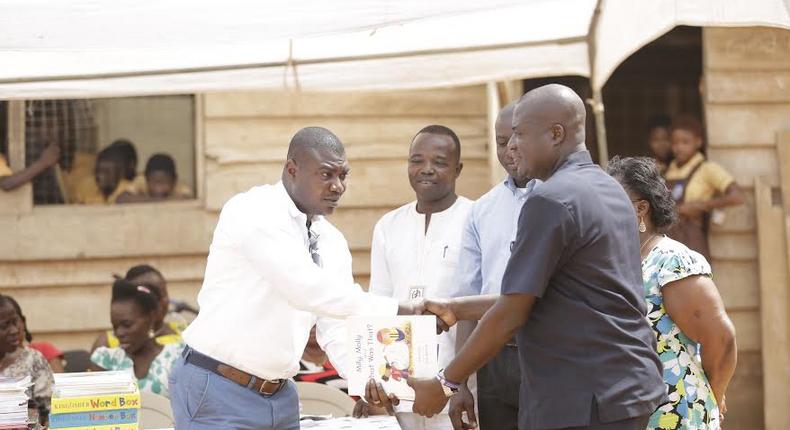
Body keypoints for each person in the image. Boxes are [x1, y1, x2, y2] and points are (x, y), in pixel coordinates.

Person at [370, 84, 667, 430]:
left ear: (556, 134)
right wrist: (457, 308)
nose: (511, 147)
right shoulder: (609, 189)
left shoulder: (551, 200)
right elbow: (559, 294)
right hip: (625, 388)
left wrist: (446, 383)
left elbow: (514, 310)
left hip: (583, 397)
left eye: (520, 135)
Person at [169, 126, 431, 430]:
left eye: (343, 175)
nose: (338, 187)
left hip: (280, 395)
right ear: (292, 170)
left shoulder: (331, 240)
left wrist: (370, 376)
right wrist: (400, 309)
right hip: (217, 387)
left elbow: (334, 325)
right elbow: (305, 289)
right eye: (326, 175)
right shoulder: (253, 211)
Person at [607, 156, 737, 430]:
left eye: (611, 200)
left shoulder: (671, 262)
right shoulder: (617, 262)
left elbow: (721, 340)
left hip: (677, 412)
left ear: (640, 209)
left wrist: (714, 394)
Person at [366, 124, 472, 430]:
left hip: (454, 387)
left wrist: (458, 385)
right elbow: (379, 303)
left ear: (457, 169)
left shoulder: (475, 218)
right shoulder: (388, 225)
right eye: (417, 160)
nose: (426, 169)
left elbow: (477, 307)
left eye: (439, 162)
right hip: (398, 387)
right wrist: (371, 380)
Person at [451, 103, 539, 430]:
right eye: (502, 142)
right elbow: (466, 298)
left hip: (550, 354)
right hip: (495, 359)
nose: (511, 151)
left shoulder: (563, 199)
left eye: (518, 140)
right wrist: (457, 383)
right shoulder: (482, 210)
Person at [664, 115, 744, 259]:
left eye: (685, 142)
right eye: (675, 143)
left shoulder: (707, 169)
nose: (679, 147)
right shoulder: (668, 171)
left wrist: (701, 205)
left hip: (691, 239)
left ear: (698, 142)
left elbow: (737, 197)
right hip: (667, 240)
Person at [90, 279, 185, 398]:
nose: (118, 333)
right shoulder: (105, 359)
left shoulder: (177, 358)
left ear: (151, 318)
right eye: (115, 326)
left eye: (127, 325)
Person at [91, 264, 184, 353]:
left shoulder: (187, 334)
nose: (161, 301)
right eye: (150, 294)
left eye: (163, 293)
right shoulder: (106, 345)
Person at [0, 294, 54, 426]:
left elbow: (48, 413)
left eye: (15, 321)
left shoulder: (34, 360)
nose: (14, 330)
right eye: (4, 326)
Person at [6, 295, 65, 373]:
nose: (11, 330)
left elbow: (58, 383)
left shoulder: (44, 351)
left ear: (23, 322)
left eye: (14, 321)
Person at [117, 153, 192, 202]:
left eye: (164, 182)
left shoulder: (181, 186)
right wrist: (158, 201)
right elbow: (121, 199)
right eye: (154, 182)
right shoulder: (141, 181)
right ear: (146, 179)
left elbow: (187, 200)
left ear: (174, 180)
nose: (158, 188)